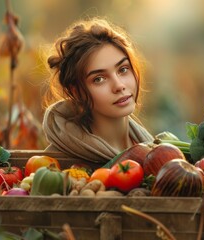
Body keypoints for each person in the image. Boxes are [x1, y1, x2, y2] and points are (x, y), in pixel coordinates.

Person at [42, 17, 154, 168]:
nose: (119, 86)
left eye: (123, 69)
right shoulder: (56, 165)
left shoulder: (153, 149)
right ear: (77, 91)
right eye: (99, 79)